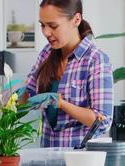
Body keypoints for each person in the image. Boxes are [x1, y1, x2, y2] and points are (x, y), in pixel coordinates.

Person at [24, 0, 113, 147]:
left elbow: (102, 121)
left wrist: (61, 104)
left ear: (76, 19)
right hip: (47, 155)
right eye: (42, 25)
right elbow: (30, 92)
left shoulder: (95, 59)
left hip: (79, 157)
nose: (46, 32)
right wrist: (13, 98)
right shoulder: (47, 53)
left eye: (53, 26)